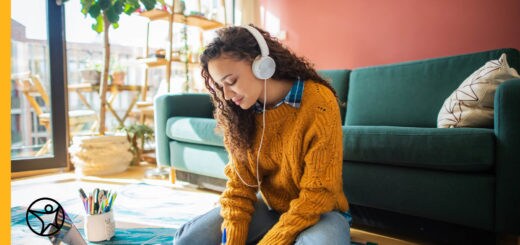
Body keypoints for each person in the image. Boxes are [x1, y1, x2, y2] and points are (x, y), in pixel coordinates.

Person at [174, 24, 351, 245]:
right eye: (221, 87)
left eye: (231, 81)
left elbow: (319, 195)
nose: (227, 95)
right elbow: (239, 189)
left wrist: (274, 240)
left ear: (261, 64)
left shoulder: (319, 102)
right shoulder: (239, 114)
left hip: (321, 212)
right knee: (188, 240)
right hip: (270, 208)